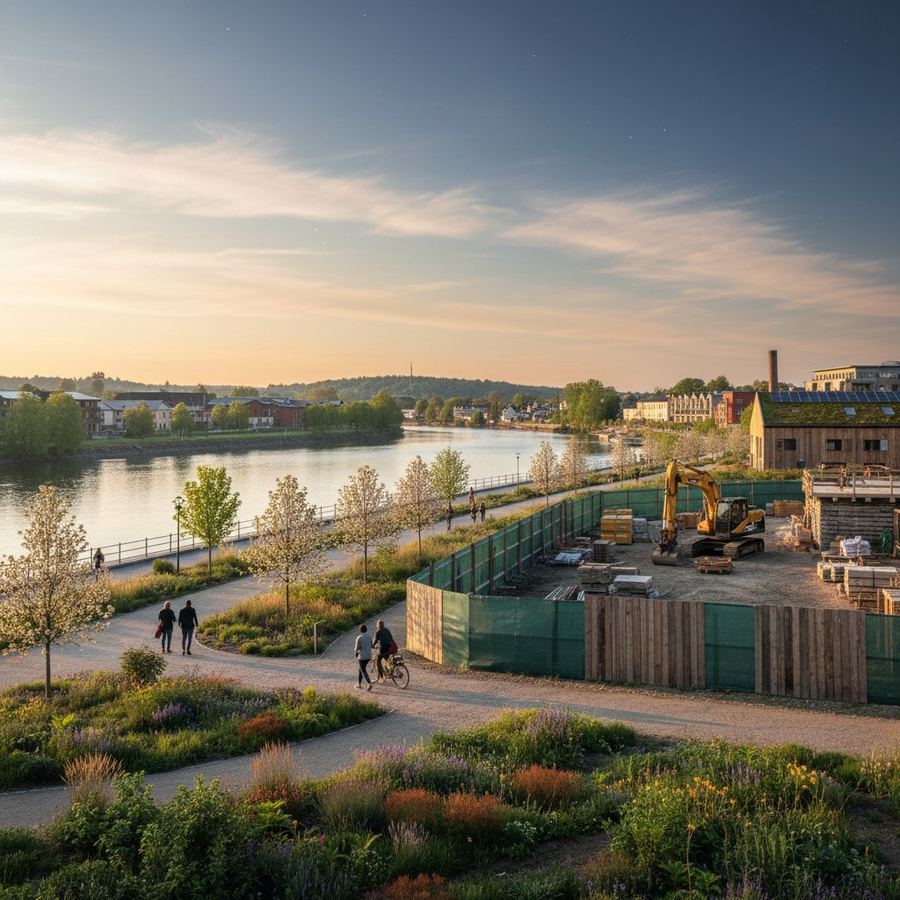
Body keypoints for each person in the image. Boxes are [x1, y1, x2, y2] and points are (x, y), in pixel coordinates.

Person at [354, 624, 373, 691]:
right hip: (369, 656)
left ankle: (369, 683)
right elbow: (371, 645)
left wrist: (356, 653)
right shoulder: (369, 636)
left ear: (360, 630)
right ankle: (359, 684)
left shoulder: (359, 638)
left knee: (363, 670)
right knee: (361, 669)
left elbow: (356, 649)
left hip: (362, 656)